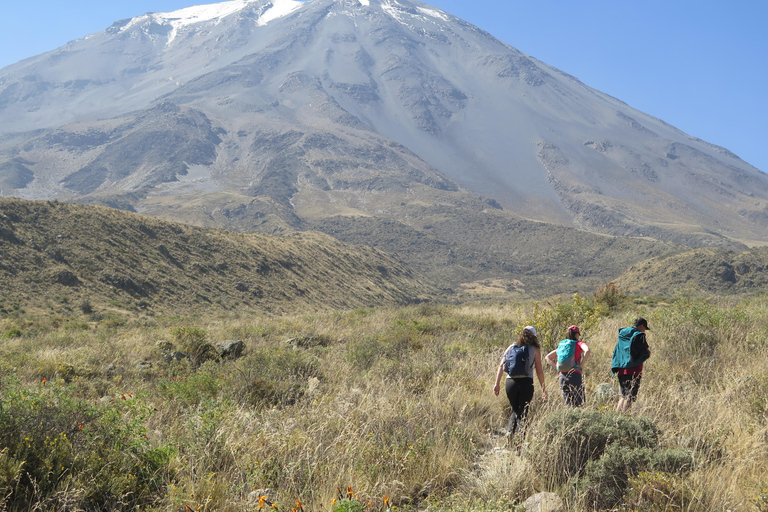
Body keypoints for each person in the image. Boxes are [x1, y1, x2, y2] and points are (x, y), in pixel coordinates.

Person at [494, 326, 548, 436]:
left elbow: (501, 365)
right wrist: (543, 389)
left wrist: (497, 384)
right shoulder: (535, 349)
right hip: (526, 382)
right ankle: (520, 440)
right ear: (534, 337)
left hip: (510, 383)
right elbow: (539, 371)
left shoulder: (511, 347)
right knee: (523, 412)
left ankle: (510, 431)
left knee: (515, 409)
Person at [611, 317, 651, 412]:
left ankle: (616, 417)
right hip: (634, 371)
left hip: (621, 370)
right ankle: (625, 419)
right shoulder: (639, 335)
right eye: (645, 328)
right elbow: (645, 352)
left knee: (624, 396)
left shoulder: (623, 334)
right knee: (629, 398)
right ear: (641, 326)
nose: (645, 330)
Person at [545, 325, 590, 407]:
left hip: (562, 376)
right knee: (579, 403)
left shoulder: (562, 346)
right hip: (575, 374)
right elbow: (587, 350)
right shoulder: (578, 343)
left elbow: (547, 357)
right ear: (576, 334)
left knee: (568, 403)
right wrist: (581, 365)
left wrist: (557, 368)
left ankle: (569, 418)